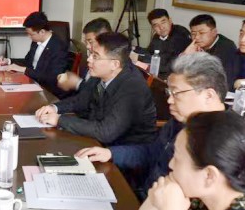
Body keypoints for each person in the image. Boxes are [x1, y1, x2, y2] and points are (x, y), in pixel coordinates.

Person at [76, 53, 227, 198]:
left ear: (208, 95)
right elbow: (152, 152)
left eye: (177, 93)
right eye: (169, 92)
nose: (169, 100)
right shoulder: (180, 120)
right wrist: (110, 154)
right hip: (146, 194)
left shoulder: (224, 141)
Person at [35, 32, 156, 146]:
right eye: (91, 54)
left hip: (125, 148)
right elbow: (81, 100)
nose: (89, 59)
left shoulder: (133, 87)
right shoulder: (101, 73)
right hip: (99, 139)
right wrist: (54, 107)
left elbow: (106, 132)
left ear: (114, 64)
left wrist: (60, 120)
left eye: (95, 56)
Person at [5, 11, 68, 96]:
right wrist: (9, 61)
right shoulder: (36, 41)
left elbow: (52, 77)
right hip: (31, 83)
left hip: (47, 91)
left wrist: (25, 70)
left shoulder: (58, 47)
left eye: (31, 34)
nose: (29, 37)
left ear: (42, 32)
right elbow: (27, 61)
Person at [57, 17, 111, 93]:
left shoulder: (108, 63)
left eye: (90, 42)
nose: (87, 46)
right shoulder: (91, 56)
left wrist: (77, 83)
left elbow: (96, 95)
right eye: (86, 42)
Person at [136, 8, 191, 77]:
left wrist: (140, 58)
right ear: (153, 27)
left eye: (163, 22)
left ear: (170, 20)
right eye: (156, 25)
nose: (161, 27)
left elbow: (168, 65)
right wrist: (135, 49)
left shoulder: (180, 34)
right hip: (161, 72)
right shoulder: (157, 36)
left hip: (178, 74)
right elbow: (150, 52)